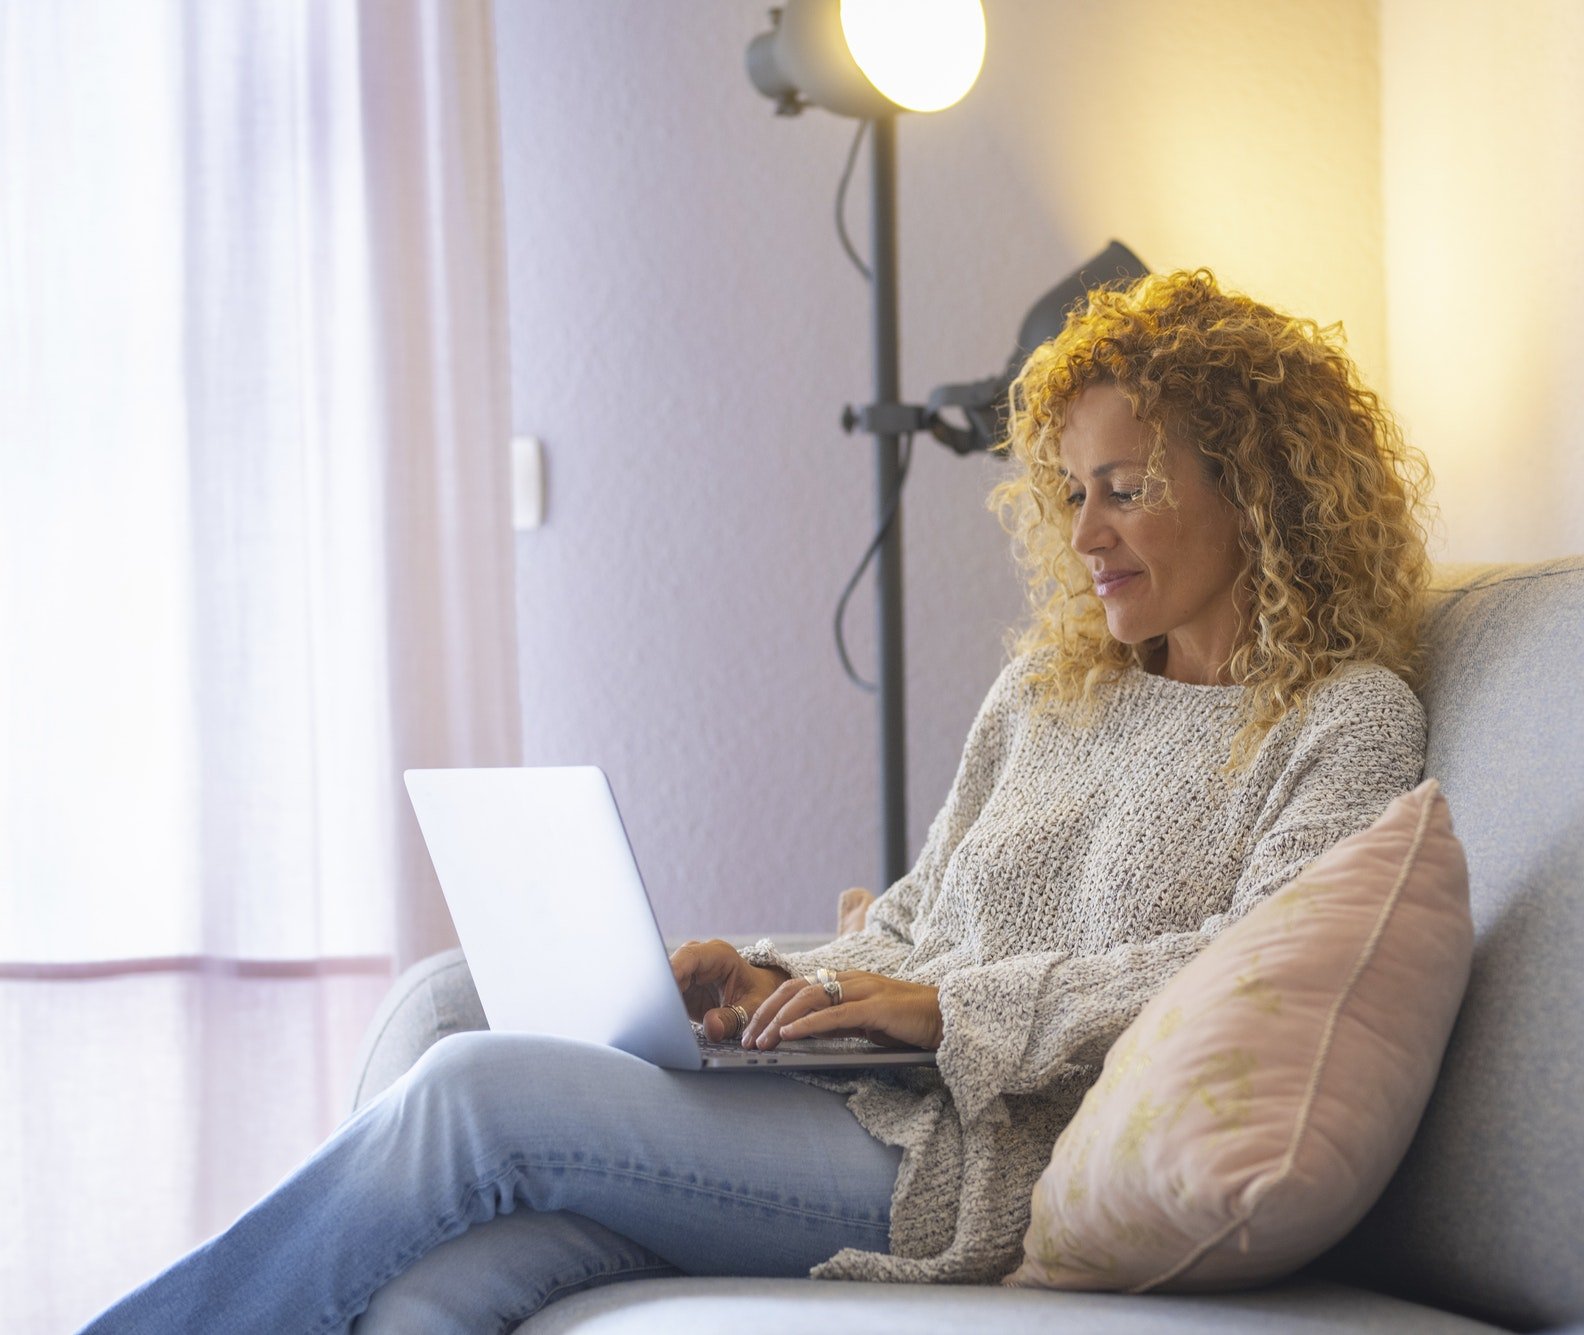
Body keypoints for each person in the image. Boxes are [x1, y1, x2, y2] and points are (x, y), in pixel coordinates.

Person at [81, 268, 1437, 1332]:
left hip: (977, 1167)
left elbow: (1240, 980)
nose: (1082, 534)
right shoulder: (1050, 695)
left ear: (1257, 491)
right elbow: (917, 923)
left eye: (1126, 491)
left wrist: (956, 1009)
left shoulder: (1345, 722)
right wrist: (779, 975)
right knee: (451, 1244)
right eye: (1070, 493)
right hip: (860, 1102)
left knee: (480, 1092)